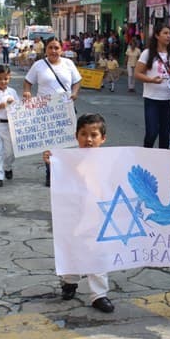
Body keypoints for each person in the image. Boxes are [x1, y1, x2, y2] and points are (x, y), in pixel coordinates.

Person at [42, 113, 114, 313]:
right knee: (71, 247)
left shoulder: (111, 160)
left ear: (103, 138)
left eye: (94, 135)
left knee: (98, 252)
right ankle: (69, 281)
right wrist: (51, 162)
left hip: (98, 215)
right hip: (73, 214)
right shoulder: (68, 159)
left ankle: (99, 294)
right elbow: (60, 178)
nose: (88, 139)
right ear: (76, 136)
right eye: (83, 134)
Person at [23, 37, 82, 187]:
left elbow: (77, 81)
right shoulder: (38, 65)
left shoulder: (68, 64)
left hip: (66, 107)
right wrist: (27, 93)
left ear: (61, 50)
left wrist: (75, 93)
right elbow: (28, 82)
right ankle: (50, 173)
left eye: (56, 48)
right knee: (49, 144)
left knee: (68, 142)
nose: (54, 51)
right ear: (46, 50)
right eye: (50, 48)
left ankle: (66, 172)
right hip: (46, 110)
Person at [134, 23, 170, 149]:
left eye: (169, 34)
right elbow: (137, 73)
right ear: (157, 35)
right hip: (152, 98)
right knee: (151, 132)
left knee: (165, 134)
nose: (168, 36)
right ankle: (146, 156)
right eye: (165, 33)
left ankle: (162, 163)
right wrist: (151, 80)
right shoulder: (147, 53)